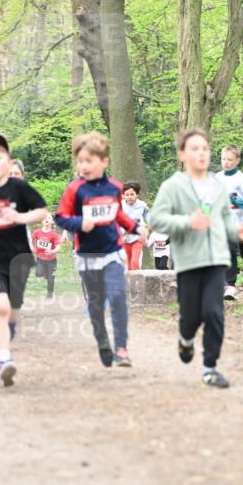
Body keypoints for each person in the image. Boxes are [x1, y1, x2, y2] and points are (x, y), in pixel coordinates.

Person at [149, 129, 243, 388]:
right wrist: (187, 222)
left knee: (214, 312)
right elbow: (156, 220)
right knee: (190, 317)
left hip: (217, 259)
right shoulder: (173, 186)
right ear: (182, 155)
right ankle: (185, 339)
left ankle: (210, 368)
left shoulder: (218, 186)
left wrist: (238, 232)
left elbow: (224, 220)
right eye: (194, 149)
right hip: (188, 261)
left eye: (205, 149)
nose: (201, 153)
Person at [55, 131, 147, 368]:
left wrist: (135, 227)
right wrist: (79, 223)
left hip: (112, 251)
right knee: (96, 304)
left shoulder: (115, 187)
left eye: (89, 161)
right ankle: (102, 340)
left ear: (104, 161)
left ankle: (122, 349)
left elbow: (118, 214)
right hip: (87, 255)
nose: (83, 166)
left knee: (117, 296)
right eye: (80, 161)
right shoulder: (75, 189)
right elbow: (61, 217)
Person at [0, 132, 47, 385]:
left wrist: (19, 217)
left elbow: (41, 211)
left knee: (13, 310)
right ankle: (4, 359)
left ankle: (10, 329)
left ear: (9, 162)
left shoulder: (19, 188)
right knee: (0, 307)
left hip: (19, 259)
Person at [217, 144, 243, 299]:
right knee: (229, 249)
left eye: (230, 159)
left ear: (237, 161)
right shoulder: (216, 178)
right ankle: (230, 286)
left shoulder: (241, 178)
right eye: (223, 159)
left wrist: (236, 201)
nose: (226, 162)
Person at [32, 212, 61, 299]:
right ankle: (45, 273)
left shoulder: (54, 235)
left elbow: (58, 247)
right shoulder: (37, 232)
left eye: (49, 218)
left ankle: (50, 293)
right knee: (38, 273)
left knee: (51, 279)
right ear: (41, 221)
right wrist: (32, 247)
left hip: (51, 260)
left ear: (52, 222)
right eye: (44, 218)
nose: (46, 220)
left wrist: (52, 251)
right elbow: (31, 240)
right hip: (40, 259)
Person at [121, 181, 149, 270]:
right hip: (124, 238)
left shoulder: (142, 206)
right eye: (127, 194)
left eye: (132, 194)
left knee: (135, 262)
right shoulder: (120, 206)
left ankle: (137, 278)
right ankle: (128, 279)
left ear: (137, 195)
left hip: (137, 238)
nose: (129, 197)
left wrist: (146, 232)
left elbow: (149, 218)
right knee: (127, 264)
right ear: (123, 195)